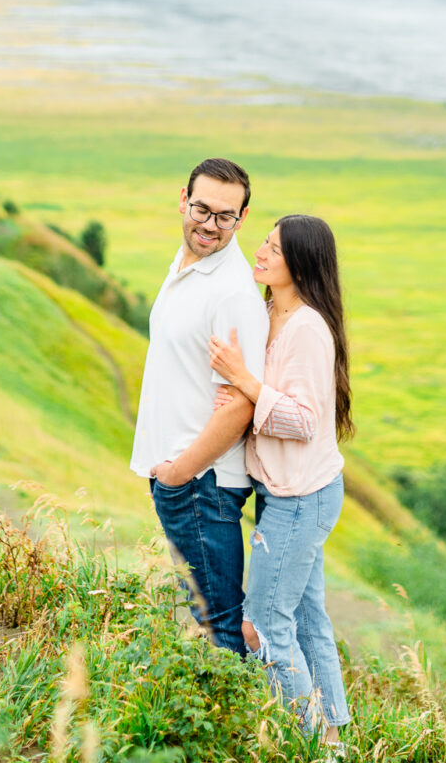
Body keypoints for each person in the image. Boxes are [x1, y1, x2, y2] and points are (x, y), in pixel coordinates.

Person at [208, 213, 353, 745]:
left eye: (275, 248)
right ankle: (332, 741)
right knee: (308, 620)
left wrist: (244, 382)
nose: (261, 252)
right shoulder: (269, 311)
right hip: (287, 494)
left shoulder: (307, 329)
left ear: (301, 263)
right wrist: (240, 396)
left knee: (263, 626)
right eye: (264, 242)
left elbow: (302, 420)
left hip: (301, 499)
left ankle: (309, 745)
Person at [130, 156, 268, 655]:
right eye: (202, 209)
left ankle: (251, 711)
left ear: (242, 218)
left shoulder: (232, 294)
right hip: (186, 479)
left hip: (202, 483)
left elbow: (241, 406)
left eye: (225, 216)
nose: (210, 225)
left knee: (220, 630)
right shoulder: (186, 264)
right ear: (183, 201)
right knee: (209, 623)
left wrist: (178, 474)